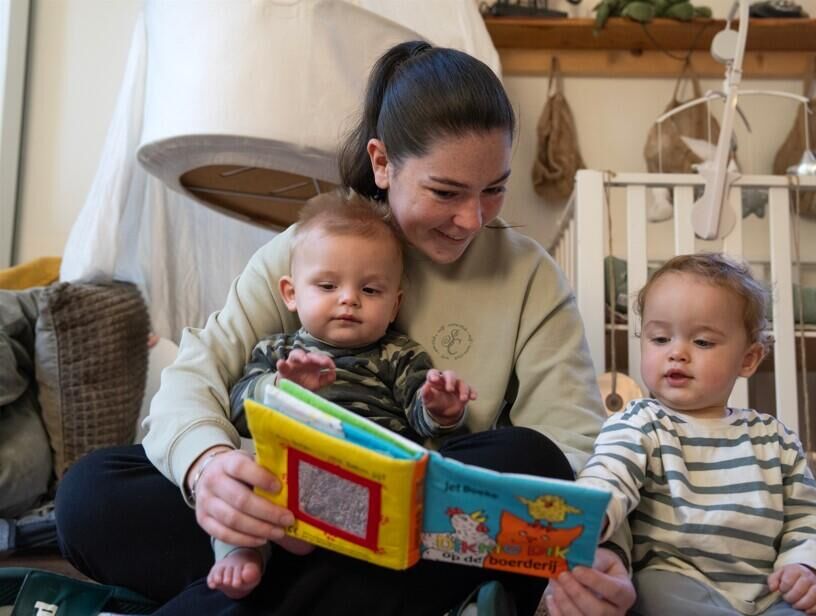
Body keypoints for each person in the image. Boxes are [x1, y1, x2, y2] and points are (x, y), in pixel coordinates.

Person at [55, 41, 636, 615]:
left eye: (494, 189)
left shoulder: (529, 273)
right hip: (287, 518)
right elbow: (193, 379)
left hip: (430, 532)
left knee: (529, 457)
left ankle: (237, 599)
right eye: (446, 192)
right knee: (91, 493)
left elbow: (574, 448)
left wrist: (604, 551)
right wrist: (209, 471)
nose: (473, 219)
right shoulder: (312, 248)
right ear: (382, 163)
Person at [210, 190, 477, 598]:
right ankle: (242, 553)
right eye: (328, 285)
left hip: (370, 485)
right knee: (238, 479)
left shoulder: (397, 353)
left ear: (394, 305)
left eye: (370, 291)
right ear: (291, 293)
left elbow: (418, 413)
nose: (349, 298)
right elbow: (239, 408)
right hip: (292, 477)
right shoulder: (278, 351)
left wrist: (440, 408)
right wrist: (284, 390)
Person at [560, 253, 816, 616]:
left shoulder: (776, 439)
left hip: (766, 591)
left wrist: (806, 567)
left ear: (748, 359)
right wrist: (588, 513)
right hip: (677, 579)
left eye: (703, 343)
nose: (677, 353)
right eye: (660, 338)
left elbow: (809, 517)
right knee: (649, 589)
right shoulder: (639, 421)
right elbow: (609, 473)